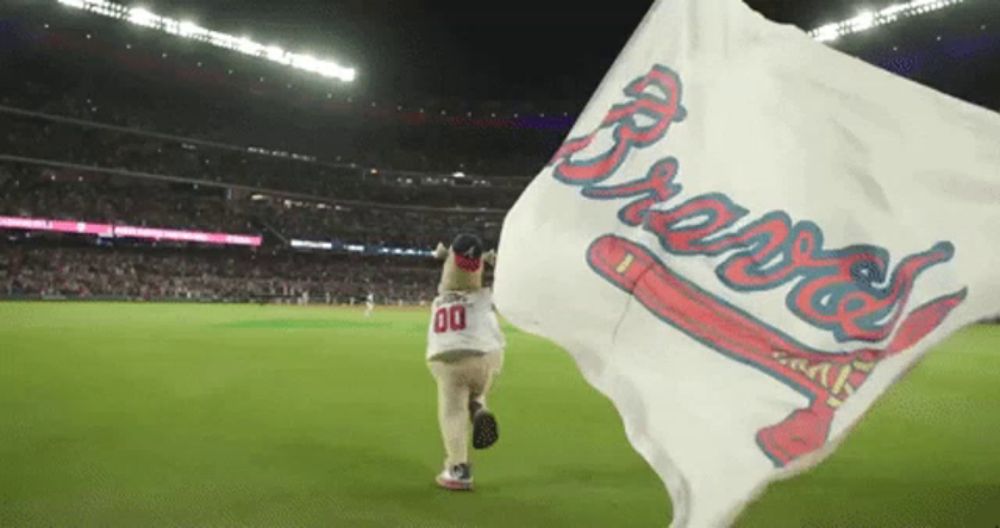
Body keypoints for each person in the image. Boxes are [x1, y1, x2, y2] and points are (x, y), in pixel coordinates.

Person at [425, 234, 504, 491]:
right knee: (481, 380)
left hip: (449, 361)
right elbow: (496, 339)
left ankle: (458, 468)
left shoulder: (439, 302)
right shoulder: (482, 297)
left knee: (452, 412)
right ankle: (479, 404)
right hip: (483, 361)